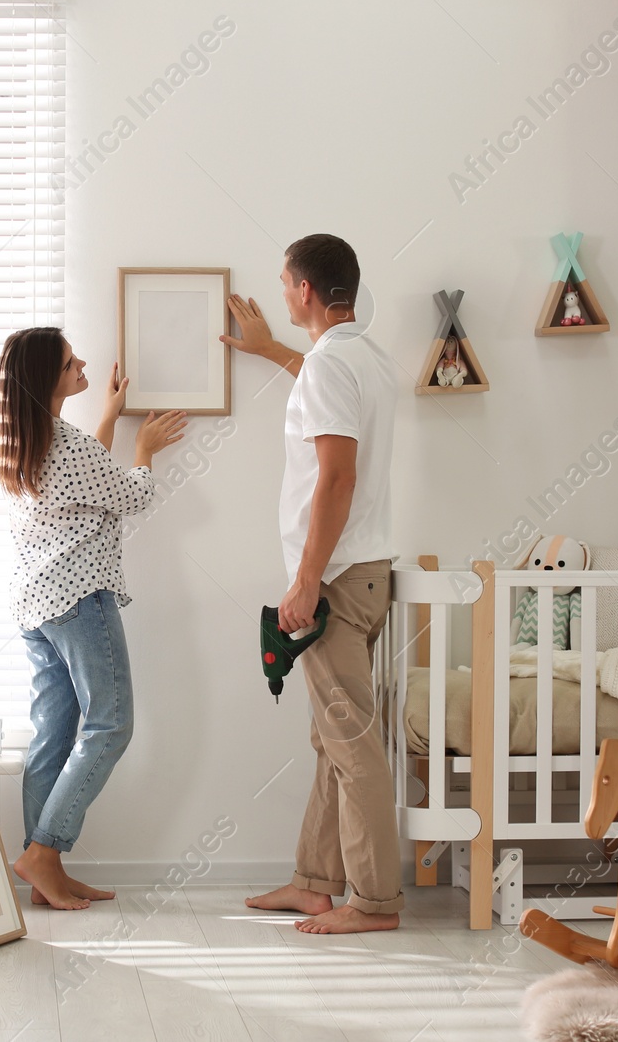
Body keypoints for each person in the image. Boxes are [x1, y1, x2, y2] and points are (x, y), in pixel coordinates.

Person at [221, 234, 402, 934]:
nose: (282, 290)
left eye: (283, 282)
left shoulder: (334, 364)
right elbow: (318, 380)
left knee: (351, 742)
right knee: (334, 739)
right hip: (364, 574)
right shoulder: (363, 357)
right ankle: (316, 881)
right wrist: (269, 349)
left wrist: (305, 581)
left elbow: (336, 477)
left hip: (334, 578)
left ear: (302, 289)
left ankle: (374, 902)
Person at [0, 326, 186, 909]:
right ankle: (45, 853)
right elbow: (129, 494)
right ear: (46, 378)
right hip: (79, 598)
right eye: (70, 362)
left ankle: (42, 864)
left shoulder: (27, 443)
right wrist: (146, 449)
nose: (82, 364)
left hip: (36, 604)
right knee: (111, 724)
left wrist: (108, 414)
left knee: (54, 733)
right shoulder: (66, 446)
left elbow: (88, 482)